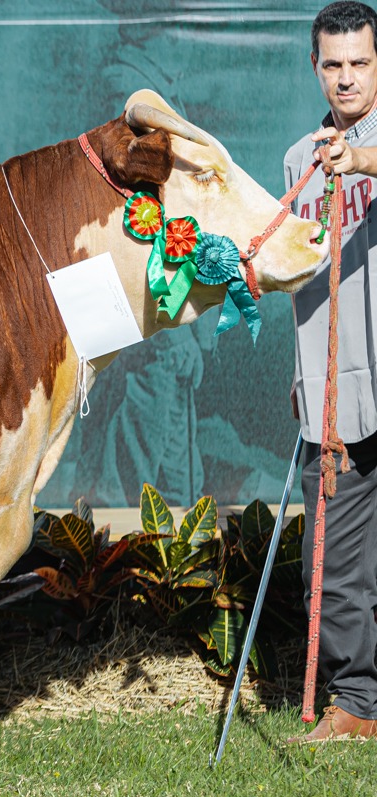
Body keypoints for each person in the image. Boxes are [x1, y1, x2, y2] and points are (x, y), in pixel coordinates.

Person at [285, 1, 377, 743]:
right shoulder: (299, 159)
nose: (346, 78)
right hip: (338, 391)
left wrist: (363, 160)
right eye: (334, 64)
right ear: (315, 67)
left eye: (361, 63)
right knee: (334, 559)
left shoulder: (357, 152)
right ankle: (357, 703)